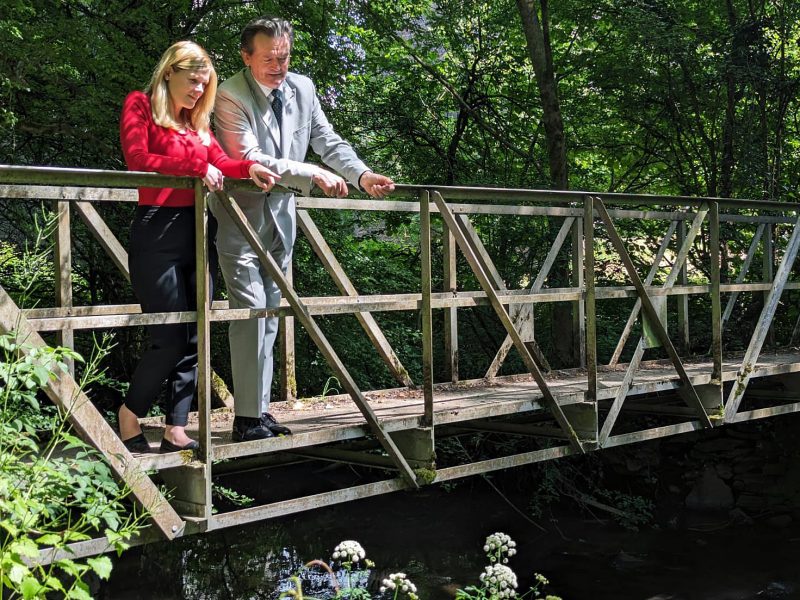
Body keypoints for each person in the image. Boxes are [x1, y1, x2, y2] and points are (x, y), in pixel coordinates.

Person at [211, 16, 395, 442]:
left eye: (285, 56)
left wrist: (363, 175)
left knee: (272, 312)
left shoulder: (304, 89)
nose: (280, 66)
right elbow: (251, 156)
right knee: (251, 309)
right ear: (246, 56)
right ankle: (244, 418)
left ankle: (257, 410)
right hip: (240, 215)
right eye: (270, 58)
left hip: (283, 218)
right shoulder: (230, 95)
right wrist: (311, 174)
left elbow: (326, 139)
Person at [118, 40, 280, 454]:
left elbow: (221, 164)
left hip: (195, 230)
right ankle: (129, 414)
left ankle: (176, 427)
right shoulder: (140, 105)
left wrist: (251, 167)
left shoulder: (196, 124)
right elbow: (138, 159)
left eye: (203, 83)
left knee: (194, 336)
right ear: (169, 71)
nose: (196, 90)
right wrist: (196, 167)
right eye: (192, 81)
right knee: (168, 335)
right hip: (155, 230)